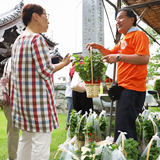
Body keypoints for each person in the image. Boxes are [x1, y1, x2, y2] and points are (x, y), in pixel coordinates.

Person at [10, 4, 71, 160]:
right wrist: (64, 64)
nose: (48, 20)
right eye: (46, 15)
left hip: (22, 102)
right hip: (39, 103)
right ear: (35, 16)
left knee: (26, 141)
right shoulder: (37, 39)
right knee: (41, 144)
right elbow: (46, 70)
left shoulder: (18, 40)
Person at [86, 8, 150, 141]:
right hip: (124, 88)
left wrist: (119, 57)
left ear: (131, 20)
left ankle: (128, 155)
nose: (117, 22)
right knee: (122, 126)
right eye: (116, 19)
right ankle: (124, 153)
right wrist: (99, 47)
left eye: (120, 18)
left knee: (125, 128)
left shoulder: (139, 35)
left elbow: (144, 58)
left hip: (133, 88)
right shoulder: (124, 38)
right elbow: (110, 53)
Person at [3, 57, 19, 160]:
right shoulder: (14, 60)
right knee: (13, 131)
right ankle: (12, 158)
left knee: (13, 131)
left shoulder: (10, 60)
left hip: (10, 100)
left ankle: (15, 157)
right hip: (12, 100)